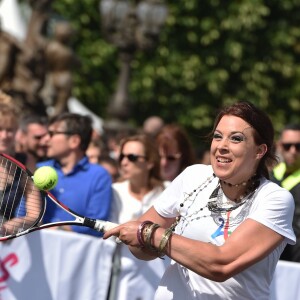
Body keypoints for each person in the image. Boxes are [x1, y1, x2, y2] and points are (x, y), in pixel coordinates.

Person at [104, 101, 296, 300]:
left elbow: (221, 265)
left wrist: (150, 234)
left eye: (236, 139)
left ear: (260, 151)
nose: (222, 146)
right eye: (217, 136)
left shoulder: (275, 199)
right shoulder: (193, 176)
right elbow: (140, 249)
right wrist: (141, 238)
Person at [108, 134, 169, 300]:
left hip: (161, 280)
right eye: (121, 156)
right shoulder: (113, 191)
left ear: (150, 162)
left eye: (132, 157)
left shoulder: (168, 192)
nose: (124, 162)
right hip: (122, 280)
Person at [38, 112, 112, 237]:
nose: (45, 139)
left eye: (52, 134)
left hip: (77, 253)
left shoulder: (99, 176)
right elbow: (24, 214)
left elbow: (97, 225)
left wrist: (61, 229)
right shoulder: (39, 169)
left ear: (74, 141)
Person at [270, 123, 300, 261]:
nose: (293, 151)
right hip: (270, 262)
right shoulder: (268, 177)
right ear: (280, 146)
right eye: (288, 146)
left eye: (298, 146)